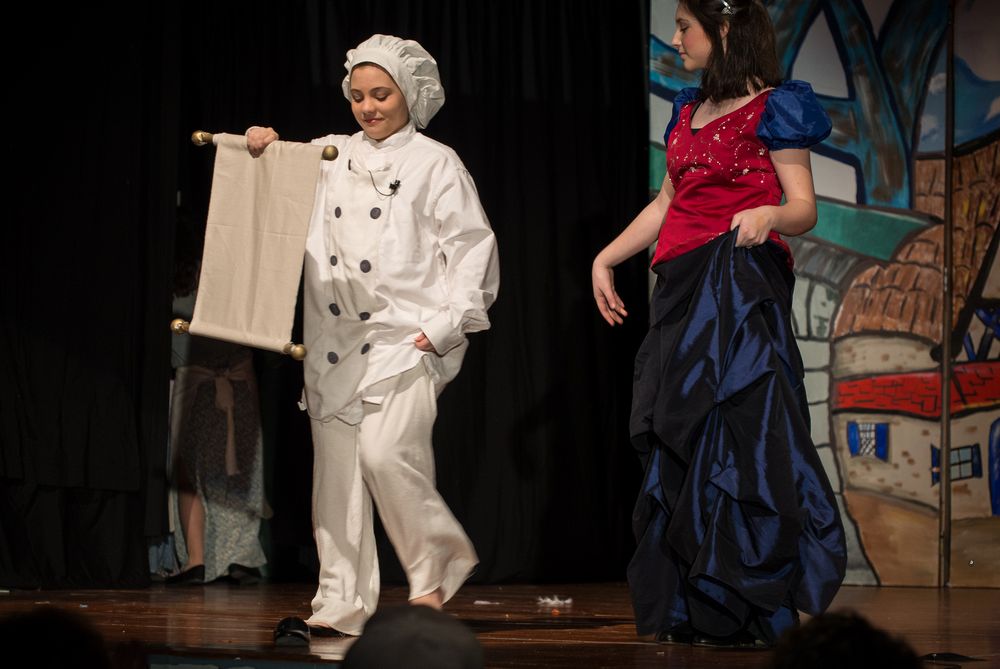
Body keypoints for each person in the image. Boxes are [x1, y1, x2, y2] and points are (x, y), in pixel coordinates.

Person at [591, 0, 846, 648]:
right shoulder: (687, 108)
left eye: (686, 26)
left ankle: (744, 602)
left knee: (737, 439)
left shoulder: (776, 108)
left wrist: (768, 213)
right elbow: (668, 201)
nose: (676, 39)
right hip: (679, 288)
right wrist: (607, 256)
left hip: (738, 285)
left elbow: (803, 207)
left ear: (724, 31)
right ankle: (689, 604)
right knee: (672, 432)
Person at [247, 34, 499, 636]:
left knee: (388, 457)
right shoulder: (330, 152)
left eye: (381, 94)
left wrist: (442, 327)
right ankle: (338, 605)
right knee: (335, 484)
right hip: (333, 338)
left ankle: (434, 574)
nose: (369, 107)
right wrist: (263, 146)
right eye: (358, 96)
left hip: (403, 339)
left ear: (408, 93)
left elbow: (472, 249)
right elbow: (275, 185)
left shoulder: (437, 161)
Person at [166, 249, 269, 586]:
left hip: (199, 386)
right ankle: (237, 557)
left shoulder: (177, 294)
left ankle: (200, 559)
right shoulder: (229, 288)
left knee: (195, 476)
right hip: (228, 386)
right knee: (230, 473)